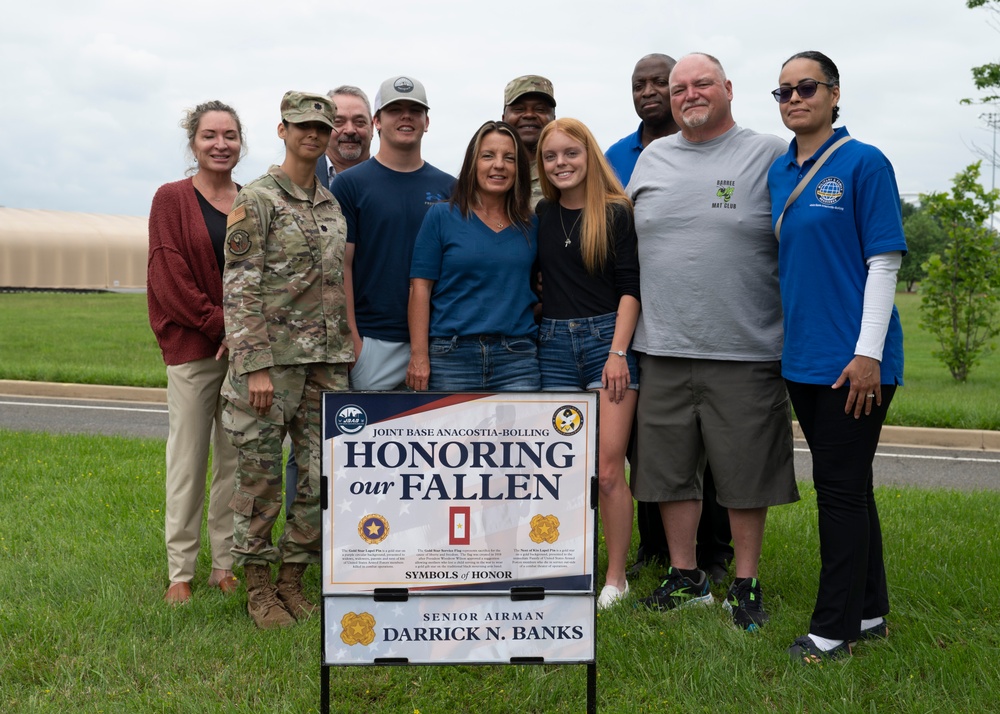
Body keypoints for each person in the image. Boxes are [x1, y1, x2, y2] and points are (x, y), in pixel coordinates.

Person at [628, 53, 799, 631]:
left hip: (745, 346)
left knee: (745, 473)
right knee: (669, 470)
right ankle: (687, 578)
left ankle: (746, 582)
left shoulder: (770, 153)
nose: (689, 94)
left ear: (728, 88)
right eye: (680, 88)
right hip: (663, 345)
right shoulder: (653, 157)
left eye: (702, 84)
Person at [768, 51, 906, 662]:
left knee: (839, 490)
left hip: (856, 364)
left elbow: (885, 261)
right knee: (853, 487)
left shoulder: (864, 163)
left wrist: (867, 353)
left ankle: (833, 629)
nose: (794, 98)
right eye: (783, 91)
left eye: (806, 87)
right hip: (803, 359)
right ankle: (870, 611)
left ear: (834, 92)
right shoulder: (778, 171)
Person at [222, 91, 352, 629]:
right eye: (302, 126)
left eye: (321, 128)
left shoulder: (330, 202)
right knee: (260, 477)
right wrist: (253, 365)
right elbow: (240, 286)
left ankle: (291, 580)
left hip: (326, 362)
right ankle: (257, 587)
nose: (313, 135)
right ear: (282, 130)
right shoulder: (256, 199)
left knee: (320, 476)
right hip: (271, 365)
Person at [606, 53, 734, 584]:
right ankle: (657, 551)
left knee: (717, 452)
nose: (653, 91)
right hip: (649, 328)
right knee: (653, 450)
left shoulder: (732, 150)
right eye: (642, 84)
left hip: (721, 330)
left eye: (664, 81)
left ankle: (716, 551)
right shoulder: (618, 155)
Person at [535, 118, 639, 608]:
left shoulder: (616, 212)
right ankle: (565, 567)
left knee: (608, 468)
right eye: (551, 156)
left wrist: (618, 354)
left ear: (589, 155)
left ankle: (615, 578)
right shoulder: (540, 215)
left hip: (606, 345)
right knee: (562, 470)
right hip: (551, 346)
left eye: (570, 153)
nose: (561, 163)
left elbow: (630, 289)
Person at [148, 100, 244, 606]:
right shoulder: (171, 199)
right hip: (193, 350)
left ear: (241, 142)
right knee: (187, 461)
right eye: (210, 135)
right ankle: (180, 571)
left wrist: (241, 333)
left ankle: (223, 566)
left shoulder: (252, 199)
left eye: (229, 135)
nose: (220, 144)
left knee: (233, 461)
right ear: (193, 143)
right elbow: (169, 278)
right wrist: (220, 324)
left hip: (244, 354)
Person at [331, 76, 454, 391]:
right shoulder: (349, 185)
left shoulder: (450, 188)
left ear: (427, 121)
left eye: (415, 110)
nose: (406, 117)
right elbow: (342, 265)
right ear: (377, 121)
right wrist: (354, 342)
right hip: (373, 341)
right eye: (394, 109)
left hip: (437, 341)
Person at [406, 120, 539, 392]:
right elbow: (420, 288)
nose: (498, 165)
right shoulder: (441, 216)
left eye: (509, 158)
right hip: (451, 357)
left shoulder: (532, 225)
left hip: (517, 358)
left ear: (519, 169)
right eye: (488, 156)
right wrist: (419, 356)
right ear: (472, 164)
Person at [502, 75, 556, 209]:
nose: (529, 115)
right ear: (504, 119)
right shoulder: (489, 172)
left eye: (540, 109)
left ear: (554, 120)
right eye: (519, 109)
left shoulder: (566, 171)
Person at [314, 85, 373, 190]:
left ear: (372, 128)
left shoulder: (393, 179)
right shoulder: (299, 178)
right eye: (338, 122)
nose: (350, 130)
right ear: (324, 128)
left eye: (359, 122)